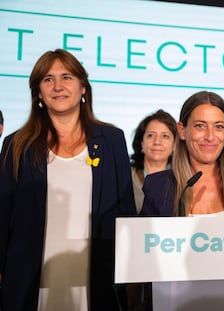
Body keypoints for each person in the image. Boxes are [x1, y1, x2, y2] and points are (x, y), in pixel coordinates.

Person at [0, 49, 136, 311]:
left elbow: (125, 212)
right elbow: (2, 215)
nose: (58, 86)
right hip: (28, 283)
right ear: (38, 93)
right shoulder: (16, 145)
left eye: (67, 77)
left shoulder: (112, 140)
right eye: (48, 79)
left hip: (95, 282)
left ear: (83, 87)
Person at [139, 90, 224, 310]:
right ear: (182, 130)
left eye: (218, 126)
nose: (210, 136)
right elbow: (142, 258)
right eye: (200, 126)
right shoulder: (158, 186)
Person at [130, 109, 177, 214]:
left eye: (165, 136)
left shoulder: (181, 179)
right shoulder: (126, 177)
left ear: (174, 145)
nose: (157, 142)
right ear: (142, 143)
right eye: (151, 135)